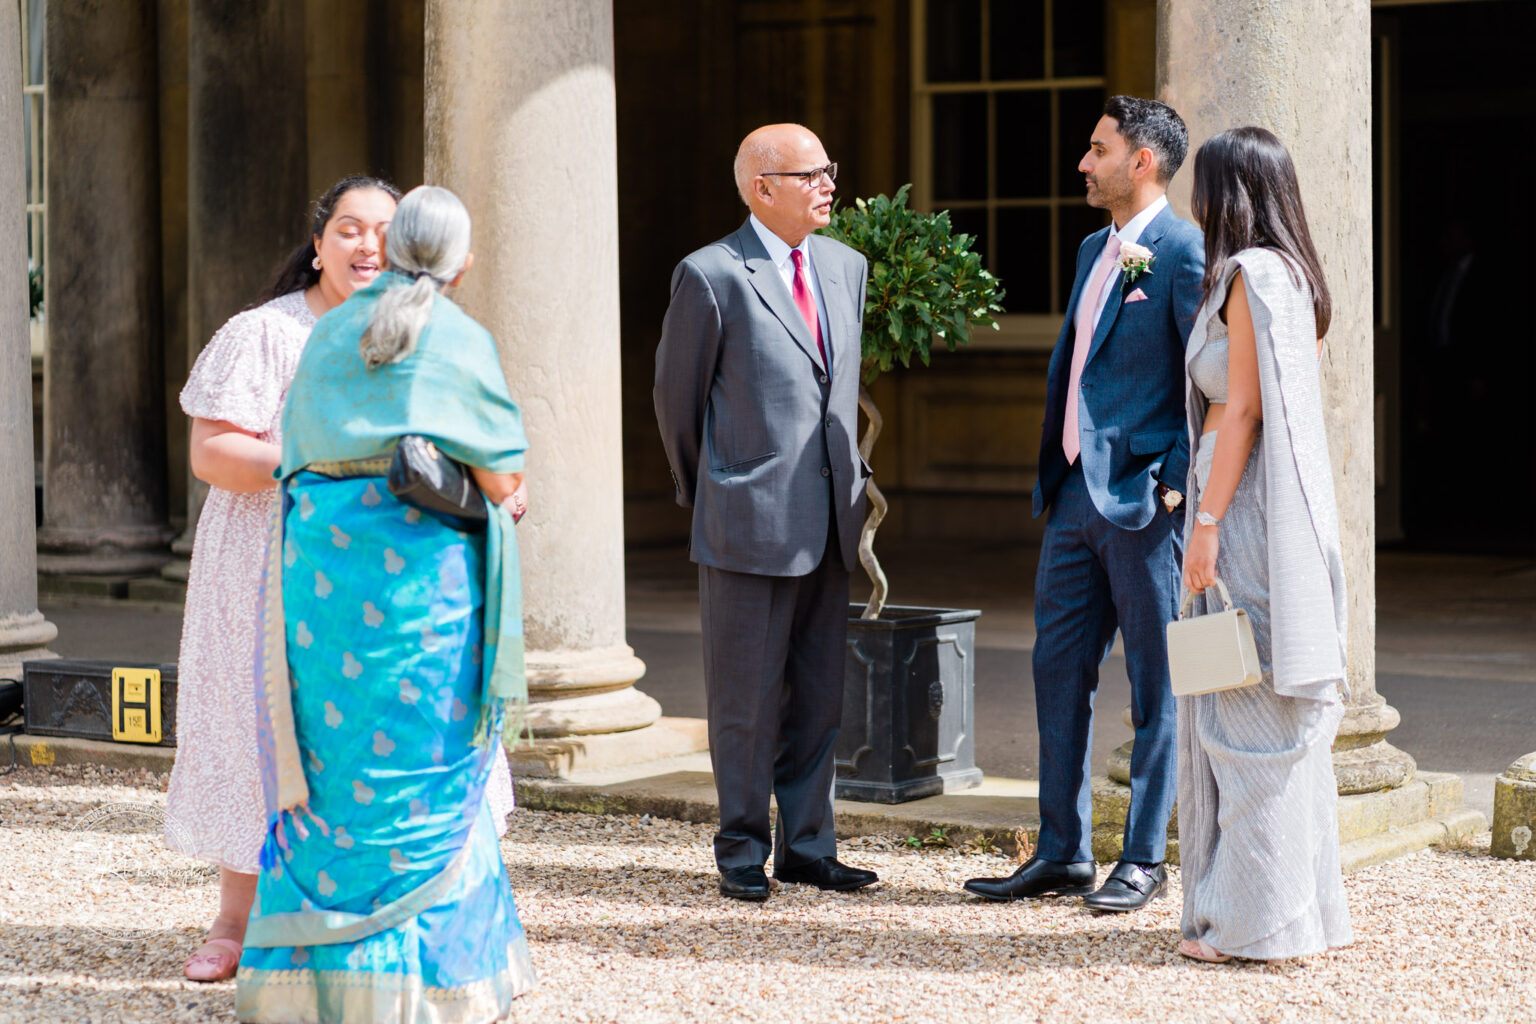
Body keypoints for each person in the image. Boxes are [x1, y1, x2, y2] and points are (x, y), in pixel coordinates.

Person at [235, 185, 536, 1021]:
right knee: (426, 764)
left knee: (335, 774)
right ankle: (432, 986)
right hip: (422, 592)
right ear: (462, 263)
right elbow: (503, 477)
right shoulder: (458, 336)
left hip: (322, 587)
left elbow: (294, 454)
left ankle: (302, 985)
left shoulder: (328, 330)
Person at [965, 97, 1204, 912]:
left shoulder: (1182, 251)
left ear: (1142, 161)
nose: (1082, 163)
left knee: (1157, 683)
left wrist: (1174, 478)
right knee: (1056, 671)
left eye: (1097, 150)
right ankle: (1060, 852)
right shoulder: (1090, 249)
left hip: (1144, 503)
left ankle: (1142, 858)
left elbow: (1205, 381)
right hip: (1070, 495)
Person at [165, 174, 401, 981]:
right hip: (268, 564)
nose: (367, 245)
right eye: (349, 228)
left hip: (380, 575)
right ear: (318, 241)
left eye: (383, 231)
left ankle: (361, 923)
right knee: (256, 731)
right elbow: (211, 453)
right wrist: (328, 465)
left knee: (360, 742)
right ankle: (235, 922)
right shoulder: (263, 334)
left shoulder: (419, 334)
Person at [653, 123, 877, 902]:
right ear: (761, 189)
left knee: (820, 697)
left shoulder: (849, 267)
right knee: (744, 703)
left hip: (830, 522)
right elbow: (676, 405)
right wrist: (717, 488)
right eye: (810, 173)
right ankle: (741, 847)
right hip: (747, 521)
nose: (828, 185)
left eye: (829, 169)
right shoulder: (710, 275)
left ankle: (809, 846)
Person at [1175, 126, 1352, 963]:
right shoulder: (1291, 277)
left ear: (1231, 193)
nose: (1193, 201)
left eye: (1203, 185)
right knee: (1264, 716)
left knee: (1245, 716)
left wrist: (1205, 526)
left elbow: (1239, 410)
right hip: (1247, 504)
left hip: (1242, 517)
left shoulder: (1250, 278)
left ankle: (1252, 923)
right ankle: (1294, 912)